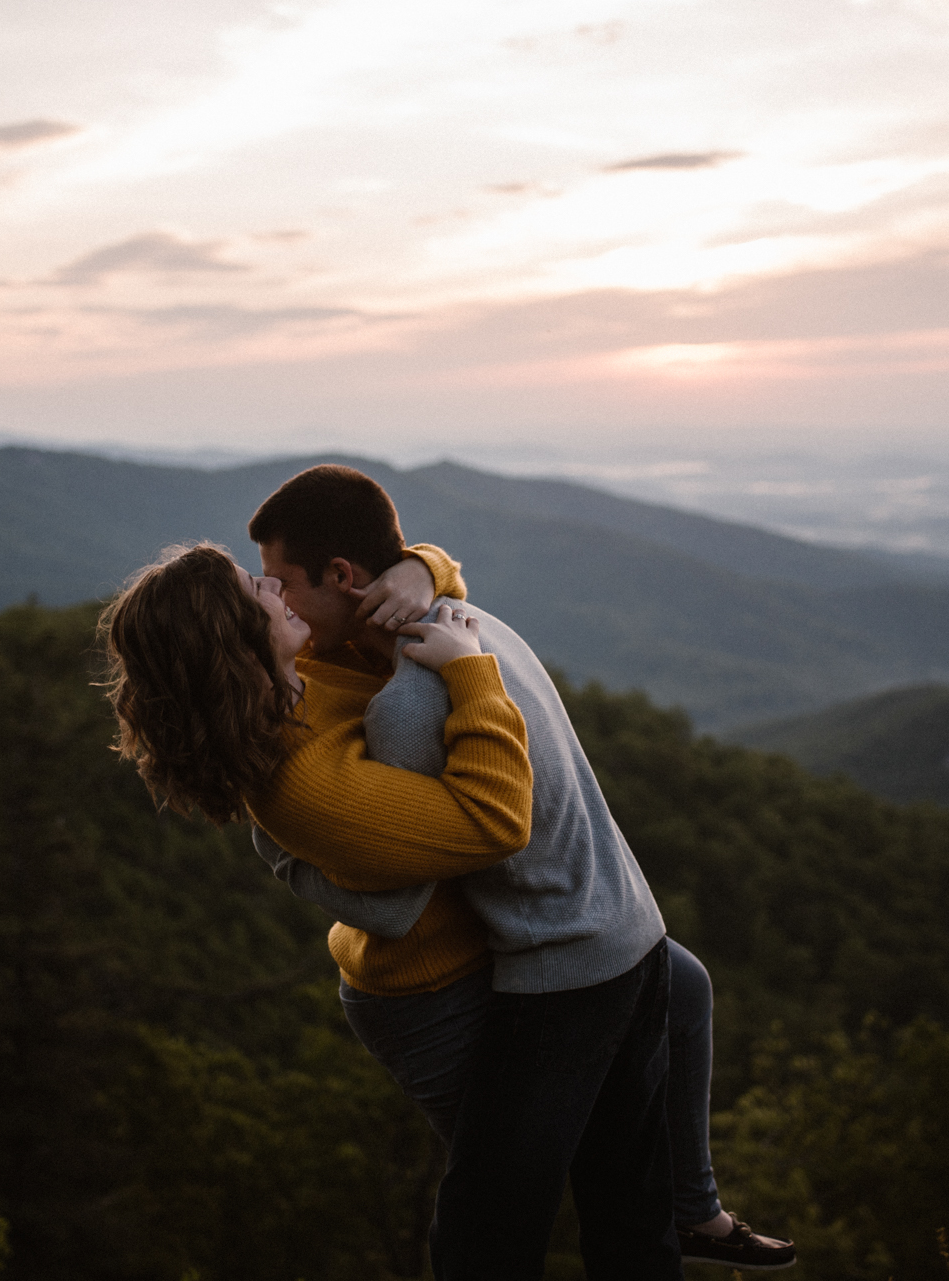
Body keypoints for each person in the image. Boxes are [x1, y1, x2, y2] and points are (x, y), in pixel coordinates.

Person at [244, 465, 795, 1275]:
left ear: (342, 575)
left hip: (561, 959)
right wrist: (426, 566)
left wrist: (289, 856)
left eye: (283, 583)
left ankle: (686, 1212)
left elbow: (433, 867)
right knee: (627, 1209)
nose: (277, 600)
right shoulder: (467, 619)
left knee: (485, 1226)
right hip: (634, 924)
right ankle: (693, 1211)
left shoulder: (409, 700)